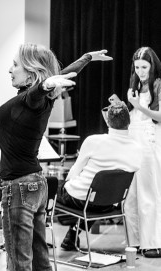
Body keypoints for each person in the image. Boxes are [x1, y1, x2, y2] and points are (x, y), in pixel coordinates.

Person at [0, 44, 112, 271]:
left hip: (19, 189)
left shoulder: (34, 100)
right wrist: (86, 59)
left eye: (15, 65)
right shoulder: (37, 99)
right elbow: (56, 78)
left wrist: (47, 83)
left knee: (19, 270)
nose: (10, 69)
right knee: (40, 262)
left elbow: (43, 87)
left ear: (32, 72)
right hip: (35, 185)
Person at [58, 102, 143, 251]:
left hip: (81, 200)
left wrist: (66, 185)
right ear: (129, 122)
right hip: (109, 203)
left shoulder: (93, 141)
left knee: (50, 188)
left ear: (107, 121)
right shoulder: (137, 148)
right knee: (95, 194)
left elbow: (74, 172)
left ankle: (35, 238)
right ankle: (72, 234)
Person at [124, 46, 161, 258]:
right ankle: (136, 240)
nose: (140, 71)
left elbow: (159, 116)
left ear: (152, 65)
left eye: (144, 67)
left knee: (150, 192)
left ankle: (153, 241)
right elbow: (134, 114)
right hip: (134, 142)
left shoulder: (158, 84)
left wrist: (138, 106)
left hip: (151, 142)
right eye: (137, 67)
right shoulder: (135, 84)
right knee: (132, 194)